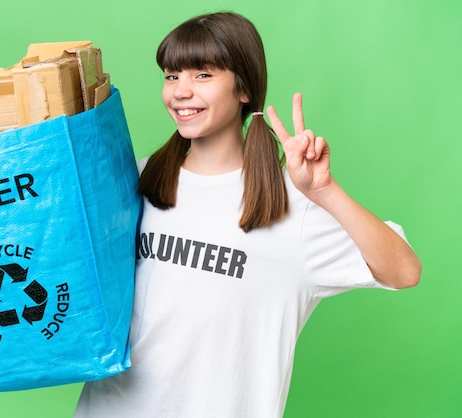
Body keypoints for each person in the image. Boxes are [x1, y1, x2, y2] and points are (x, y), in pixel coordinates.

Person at [74, 11, 421, 418]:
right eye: (171, 76)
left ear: (244, 88)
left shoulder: (290, 205)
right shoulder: (137, 178)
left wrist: (325, 192)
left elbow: (404, 271)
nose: (180, 91)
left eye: (202, 75)